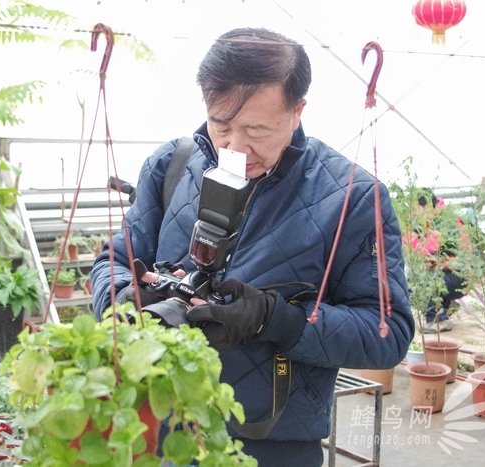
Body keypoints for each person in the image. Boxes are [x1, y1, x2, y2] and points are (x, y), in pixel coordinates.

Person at [91, 28, 414, 466]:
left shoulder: (351, 197)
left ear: (297, 112)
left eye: (257, 130)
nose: (236, 148)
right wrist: (127, 297)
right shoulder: (173, 165)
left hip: (272, 442)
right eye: (221, 124)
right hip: (163, 428)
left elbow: (386, 334)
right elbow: (112, 262)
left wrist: (276, 320)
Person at [413, 192, 467, 333]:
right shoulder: (436, 220)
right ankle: (444, 309)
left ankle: (438, 320)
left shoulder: (445, 224)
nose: (414, 214)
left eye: (416, 209)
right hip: (451, 274)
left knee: (417, 282)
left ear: (429, 206)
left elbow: (430, 254)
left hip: (459, 277)